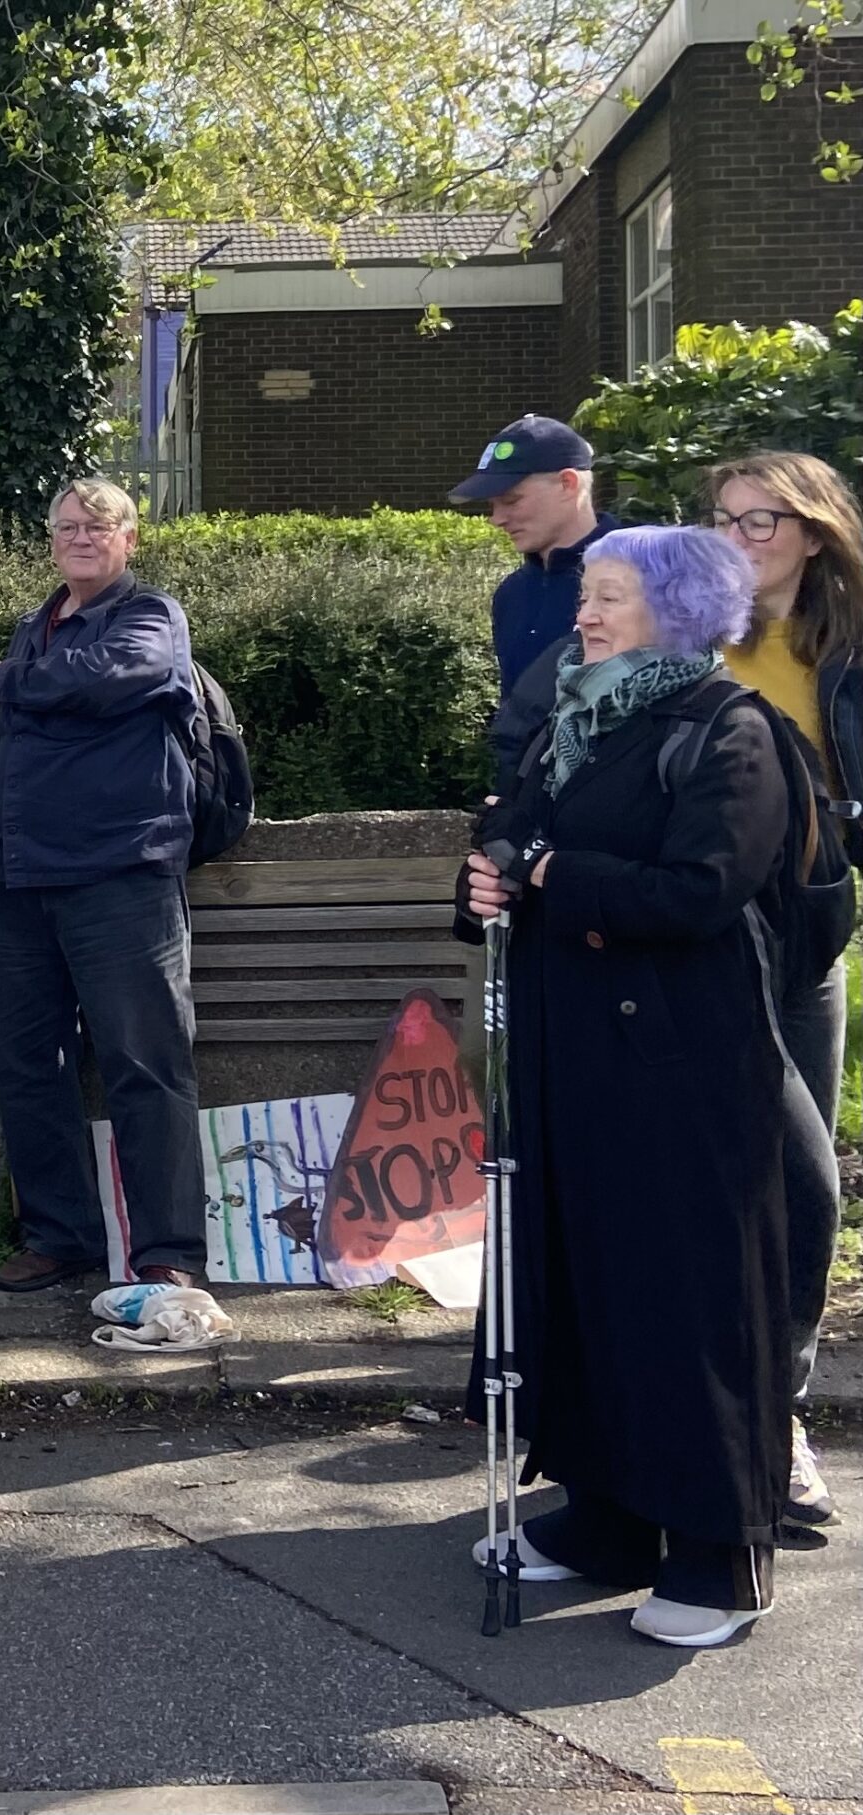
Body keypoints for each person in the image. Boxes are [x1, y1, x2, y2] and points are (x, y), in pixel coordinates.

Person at [460, 523, 792, 1648]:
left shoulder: (731, 730)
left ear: (682, 610)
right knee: (578, 1273)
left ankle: (714, 1551)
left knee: (677, 1294)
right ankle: (606, 1517)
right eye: (587, 594)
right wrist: (489, 882)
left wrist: (554, 873)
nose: (584, 616)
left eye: (607, 598)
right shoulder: (575, 717)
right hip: (570, 1053)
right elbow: (513, 839)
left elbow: (699, 890)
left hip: (677, 1064)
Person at [0, 478, 204, 1293]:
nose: (80, 537)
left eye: (98, 526)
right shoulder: (39, 624)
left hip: (120, 875)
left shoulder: (150, 619)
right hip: (27, 878)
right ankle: (59, 1235)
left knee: (144, 1063)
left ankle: (168, 1252)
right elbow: (45, 718)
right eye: (66, 525)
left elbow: (96, 681)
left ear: (130, 539)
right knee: (28, 1064)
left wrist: (1, 679)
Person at [708, 449, 863, 1532]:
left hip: (802, 932)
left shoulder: (846, 651)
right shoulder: (688, 631)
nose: (737, 539)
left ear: (813, 532)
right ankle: (704, 1420)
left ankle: (781, 1419)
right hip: (700, 935)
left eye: (761, 522)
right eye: (723, 519)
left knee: (802, 1186)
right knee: (713, 1181)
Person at [449, 416, 623, 786]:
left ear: (568, 483)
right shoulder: (511, 594)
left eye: (511, 500)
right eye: (492, 504)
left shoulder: (648, 572)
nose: (497, 519)